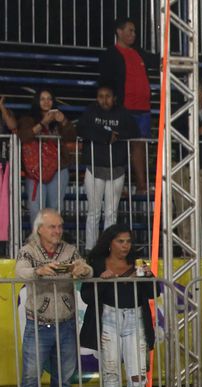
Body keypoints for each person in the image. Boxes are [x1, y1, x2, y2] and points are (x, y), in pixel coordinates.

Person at [14, 209, 94, 387]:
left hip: (66, 324)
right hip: (38, 325)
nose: (58, 231)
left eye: (59, 226)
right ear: (40, 229)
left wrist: (84, 271)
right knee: (30, 378)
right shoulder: (28, 251)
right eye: (52, 227)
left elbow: (87, 269)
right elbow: (20, 273)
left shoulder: (69, 251)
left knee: (64, 377)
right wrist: (38, 271)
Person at [80, 224, 158, 387]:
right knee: (111, 372)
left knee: (137, 374)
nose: (125, 246)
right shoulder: (96, 263)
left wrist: (148, 277)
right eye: (120, 241)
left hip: (135, 319)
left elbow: (154, 293)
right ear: (110, 242)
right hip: (108, 318)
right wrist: (101, 281)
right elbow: (86, 297)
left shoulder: (137, 263)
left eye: (128, 241)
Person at [98, 17, 158, 192]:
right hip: (124, 107)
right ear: (119, 31)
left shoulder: (139, 52)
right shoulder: (110, 54)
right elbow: (105, 81)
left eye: (134, 31)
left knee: (140, 145)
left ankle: (141, 185)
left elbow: (157, 61)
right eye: (130, 30)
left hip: (143, 107)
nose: (134, 34)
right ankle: (119, 184)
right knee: (120, 145)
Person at [77, 85, 138, 251]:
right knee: (94, 212)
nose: (104, 100)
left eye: (108, 96)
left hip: (116, 168)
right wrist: (105, 136)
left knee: (111, 213)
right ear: (97, 98)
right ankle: (91, 249)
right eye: (101, 96)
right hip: (95, 168)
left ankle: (107, 249)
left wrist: (115, 135)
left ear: (114, 98)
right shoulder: (91, 111)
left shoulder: (122, 113)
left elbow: (133, 130)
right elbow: (81, 129)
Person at [18, 89, 77, 228]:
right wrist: (43, 123)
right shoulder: (28, 119)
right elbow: (24, 136)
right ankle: (37, 243)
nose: (46, 102)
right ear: (37, 101)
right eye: (42, 99)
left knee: (55, 207)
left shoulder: (58, 120)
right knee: (36, 208)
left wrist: (63, 121)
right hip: (35, 169)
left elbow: (71, 136)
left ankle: (53, 240)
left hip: (58, 168)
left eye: (49, 99)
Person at [0, 96, 16, 256]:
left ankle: (2, 251)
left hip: (2, 165)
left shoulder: (6, 112)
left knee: (2, 214)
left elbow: (12, 126)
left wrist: (2, 108)